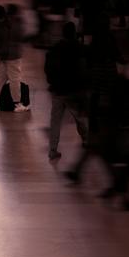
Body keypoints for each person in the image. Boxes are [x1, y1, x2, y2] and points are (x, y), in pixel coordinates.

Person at [44, 22, 88, 159]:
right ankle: (87, 141)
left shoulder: (55, 48)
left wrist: (52, 82)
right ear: (74, 33)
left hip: (57, 89)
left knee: (55, 121)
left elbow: (47, 68)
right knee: (80, 118)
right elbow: (83, 68)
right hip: (73, 90)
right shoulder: (79, 48)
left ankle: (52, 150)